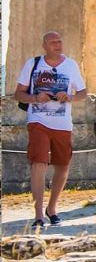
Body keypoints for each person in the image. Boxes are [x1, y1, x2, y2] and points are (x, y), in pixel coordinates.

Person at [13, 31, 86, 232]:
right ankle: (38, 214)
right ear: (44, 45)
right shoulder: (33, 64)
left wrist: (69, 97)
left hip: (63, 123)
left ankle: (52, 208)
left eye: (60, 41)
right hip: (38, 121)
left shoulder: (71, 65)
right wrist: (36, 98)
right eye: (53, 42)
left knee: (62, 166)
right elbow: (18, 93)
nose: (58, 44)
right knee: (39, 163)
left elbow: (83, 93)